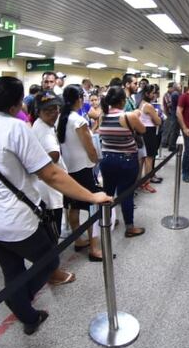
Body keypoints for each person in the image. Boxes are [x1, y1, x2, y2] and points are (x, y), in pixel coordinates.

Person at [0, 77, 111, 334]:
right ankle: (16, 299)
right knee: (49, 261)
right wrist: (91, 196)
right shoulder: (17, 128)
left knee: (12, 269)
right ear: (15, 104)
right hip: (16, 219)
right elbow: (51, 174)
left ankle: (28, 315)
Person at [30, 92, 77, 282]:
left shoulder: (40, 125)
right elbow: (54, 155)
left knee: (48, 231)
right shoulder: (44, 129)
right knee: (52, 232)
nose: (54, 113)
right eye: (48, 110)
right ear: (38, 111)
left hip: (45, 187)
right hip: (49, 190)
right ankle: (53, 272)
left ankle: (49, 268)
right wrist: (36, 164)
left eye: (56, 109)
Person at [57, 85, 101, 258]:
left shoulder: (61, 118)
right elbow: (90, 148)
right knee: (91, 206)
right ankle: (94, 249)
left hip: (68, 169)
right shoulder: (79, 121)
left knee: (73, 205)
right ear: (79, 99)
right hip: (83, 168)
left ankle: (78, 240)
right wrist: (96, 160)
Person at [98, 86, 146, 238]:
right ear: (122, 101)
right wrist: (137, 115)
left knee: (107, 193)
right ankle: (130, 227)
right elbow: (142, 130)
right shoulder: (128, 116)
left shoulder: (102, 116)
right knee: (126, 193)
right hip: (126, 160)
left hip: (107, 160)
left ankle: (107, 220)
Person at [138, 84, 163, 193]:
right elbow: (158, 121)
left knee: (142, 159)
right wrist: (158, 118)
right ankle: (146, 183)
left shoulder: (141, 103)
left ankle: (139, 181)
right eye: (152, 93)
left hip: (143, 132)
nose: (154, 95)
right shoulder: (148, 106)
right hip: (149, 132)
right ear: (147, 94)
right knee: (149, 158)